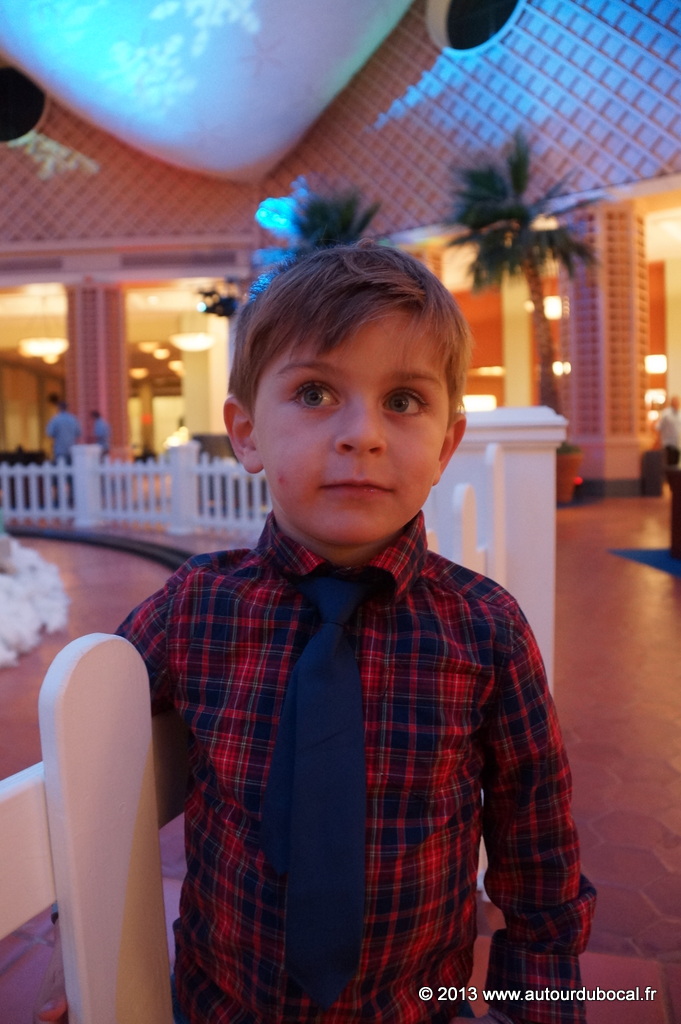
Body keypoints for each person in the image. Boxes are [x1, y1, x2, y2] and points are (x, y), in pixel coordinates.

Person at [37, 243, 595, 1024]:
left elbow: (535, 844)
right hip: (220, 1007)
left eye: (402, 400)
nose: (362, 434)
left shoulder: (485, 629)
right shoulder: (195, 607)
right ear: (245, 433)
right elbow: (86, 765)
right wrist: (80, 956)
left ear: (445, 444)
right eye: (314, 392)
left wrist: (536, 1004)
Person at [657, 394, 681, 466]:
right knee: (668, 465)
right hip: (667, 444)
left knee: (675, 464)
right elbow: (659, 427)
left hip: (676, 444)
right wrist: (659, 441)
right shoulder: (666, 414)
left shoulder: (679, 415)